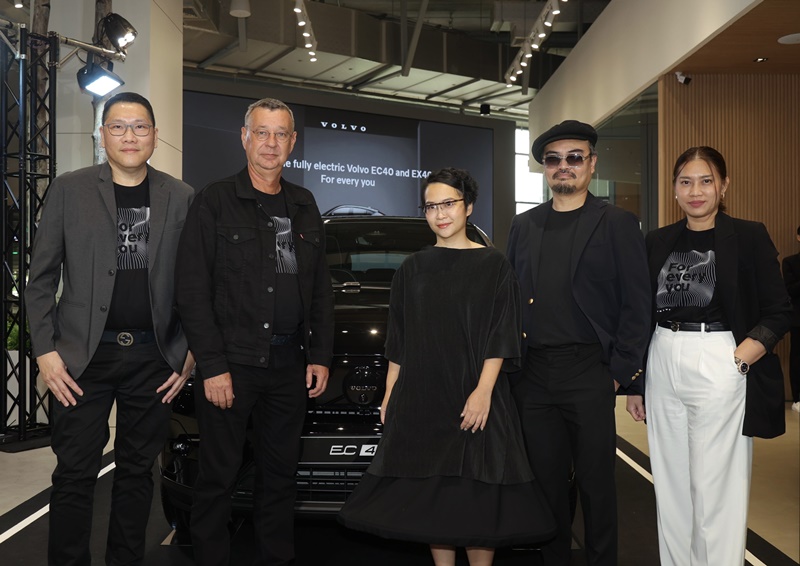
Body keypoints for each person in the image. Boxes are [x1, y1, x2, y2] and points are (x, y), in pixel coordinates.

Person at [338, 168, 556, 566]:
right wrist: (390, 394)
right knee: (434, 499)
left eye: (449, 204)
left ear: (468, 206)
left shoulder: (494, 265)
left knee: (477, 496)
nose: (440, 214)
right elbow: (399, 341)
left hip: (477, 396)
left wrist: (483, 392)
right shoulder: (412, 269)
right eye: (431, 206)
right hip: (423, 398)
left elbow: (501, 334)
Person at [25, 92, 195, 565]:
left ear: (155, 135)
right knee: (74, 474)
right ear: (102, 135)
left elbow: (197, 284)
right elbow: (40, 279)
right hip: (80, 358)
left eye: (140, 126)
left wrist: (188, 352)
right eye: (118, 126)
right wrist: (45, 352)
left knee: (138, 473)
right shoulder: (70, 189)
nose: (129, 136)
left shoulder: (181, 197)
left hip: (154, 359)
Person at [175, 97, 334, 566]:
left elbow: (320, 289)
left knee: (279, 478)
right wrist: (212, 366)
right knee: (218, 478)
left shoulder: (304, 204)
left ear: (292, 142)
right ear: (244, 137)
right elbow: (191, 290)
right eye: (261, 132)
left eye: (280, 134)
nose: (270, 143)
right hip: (231, 364)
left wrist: (319, 355)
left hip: (288, 366)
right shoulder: (215, 199)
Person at [628, 146, 792, 566]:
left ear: (723, 185)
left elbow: (780, 310)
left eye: (705, 181)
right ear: (674, 189)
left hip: (720, 357)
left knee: (716, 487)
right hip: (663, 356)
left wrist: (741, 358)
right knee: (670, 486)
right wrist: (636, 382)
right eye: (686, 182)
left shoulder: (748, 235)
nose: (695, 191)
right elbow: (639, 312)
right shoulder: (658, 240)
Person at [506, 120, 651, 566]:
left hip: (590, 372)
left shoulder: (617, 223)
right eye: (553, 159)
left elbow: (637, 304)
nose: (563, 166)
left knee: (596, 486)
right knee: (545, 488)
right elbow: (509, 301)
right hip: (533, 376)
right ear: (544, 168)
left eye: (574, 157)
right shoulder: (524, 226)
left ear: (591, 164)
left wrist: (619, 375)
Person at [783, 225, 800, 412]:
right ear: (798, 237)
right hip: (798, 319)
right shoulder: (790, 262)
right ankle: (798, 398)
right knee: (797, 359)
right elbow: (790, 290)